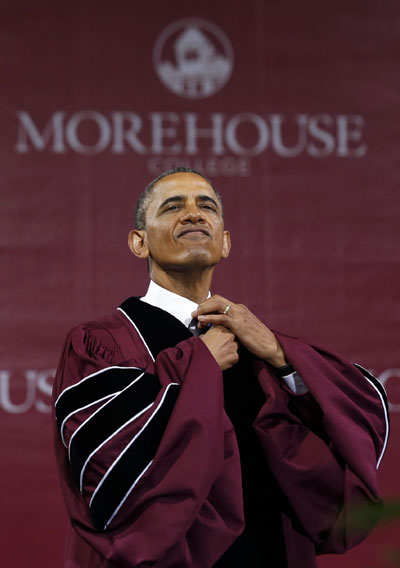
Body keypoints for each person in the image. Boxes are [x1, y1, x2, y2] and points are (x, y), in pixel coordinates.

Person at [53, 167, 389, 568]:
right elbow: (108, 472)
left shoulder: (258, 344)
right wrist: (201, 364)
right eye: (173, 206)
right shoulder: (102, 344)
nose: (194, 214)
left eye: (206, 206)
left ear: (225, 242)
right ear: (139, 242)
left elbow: (351, 431)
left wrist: (283, 358)